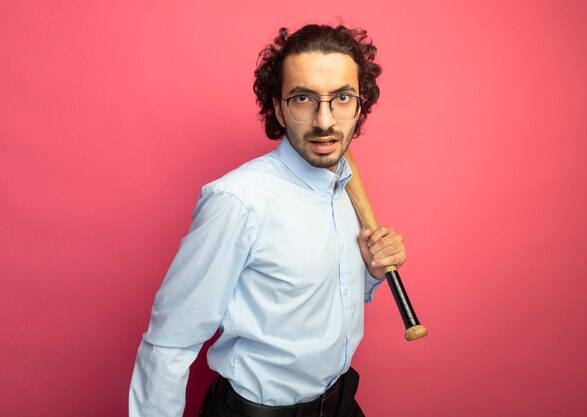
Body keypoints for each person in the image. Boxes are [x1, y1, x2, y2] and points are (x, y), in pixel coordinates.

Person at [129, 23, 406, 417]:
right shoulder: (239, 201)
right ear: (277, 106)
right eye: (303, 98)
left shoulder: (342, 186)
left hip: (340, 403)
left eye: (341, 97)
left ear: (360, 105)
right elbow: (169, 342)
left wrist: (371, 273)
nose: (324, 121)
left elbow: (312, 301)